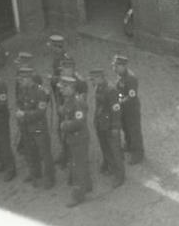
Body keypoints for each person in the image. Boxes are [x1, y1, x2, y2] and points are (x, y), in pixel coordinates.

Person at [15, 67, 55, 189]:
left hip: (39, 127)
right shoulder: (23, 90)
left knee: (44, 153)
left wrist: (25, 114)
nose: (21, 81)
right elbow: (19, 103)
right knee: (31, 152)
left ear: (29, 78)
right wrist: (20, 113)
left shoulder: (40, 92)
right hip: (27, 127)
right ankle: (36, 173)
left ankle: (50, 177)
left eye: (23, 79)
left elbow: (40, 112)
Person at [60, 76, 93, 207]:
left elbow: (79, 122)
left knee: (77, 167)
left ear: (72, 88)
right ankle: (87, 186)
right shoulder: (69, 101)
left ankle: (78, 195)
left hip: (79, 138)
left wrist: (65, 125)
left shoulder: (77, 103)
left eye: (64, 87)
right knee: (81, 164)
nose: (62, 89)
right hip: (74, 138)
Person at [91, 68, 125, 188]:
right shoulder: (98, 88)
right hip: (101, 124)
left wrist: (115, 127)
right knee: (105, 148)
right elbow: (98, 107)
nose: (92, 82)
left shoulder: (111, 91)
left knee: (115, 151)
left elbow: (116, 110)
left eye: (94, 79)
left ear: (100, 77)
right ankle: (110, 167)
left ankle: (120, 176)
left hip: (110, 126)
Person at [113, 55, 144, 165]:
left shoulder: (131, 79)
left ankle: (138, 154)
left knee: (133, 131)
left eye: (117, 66)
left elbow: (131, 96)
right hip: (124, 109)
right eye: (114, 66)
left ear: (124, 66)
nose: (114, 68)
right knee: (126, 128)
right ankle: (129, 145)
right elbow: (120, 91)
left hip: (131, 110)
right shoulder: (120, 76)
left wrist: (120, 101)